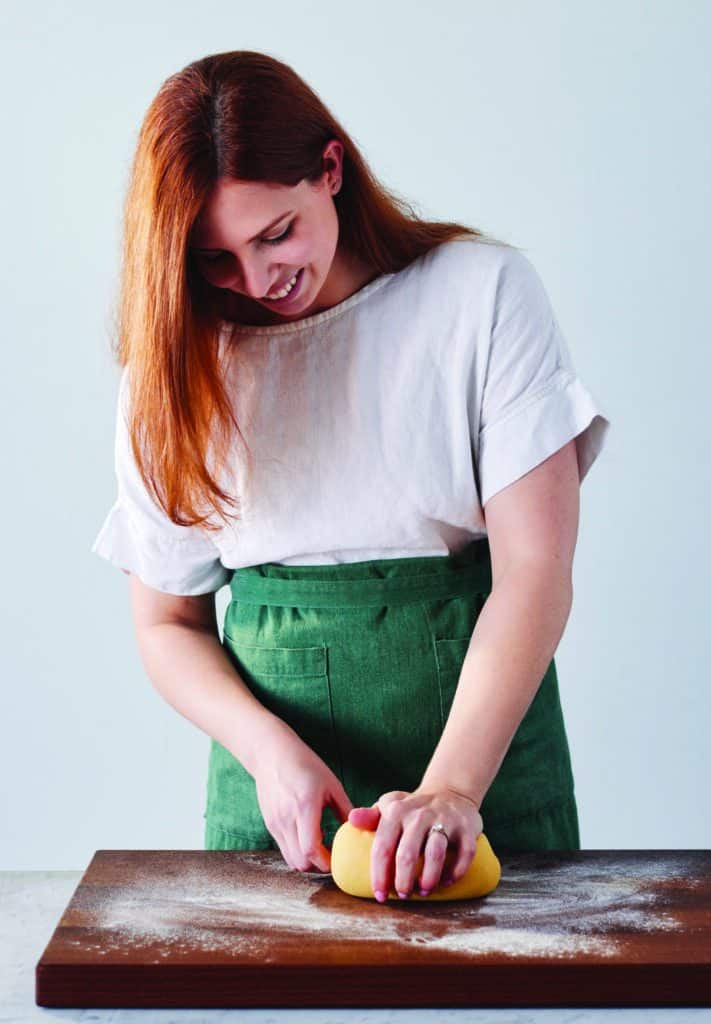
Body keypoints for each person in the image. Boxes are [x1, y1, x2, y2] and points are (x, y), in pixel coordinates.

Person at [91, 50, 611, 905]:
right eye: (216, 260)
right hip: (280, 802)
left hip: (486, 776)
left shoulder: (480, 295)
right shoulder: (172, 368)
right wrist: (266, 750)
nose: (260, 281)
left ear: (330, 169)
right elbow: (166, 625)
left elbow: (536, 571)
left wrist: (451, 791)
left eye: (274, 234)